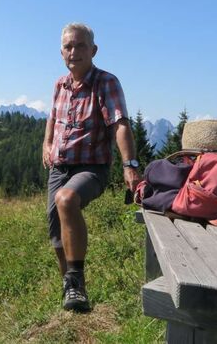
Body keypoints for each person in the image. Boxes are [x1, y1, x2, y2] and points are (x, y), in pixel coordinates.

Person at [41, 22, 142, 312]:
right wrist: (46, 143)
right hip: (59, 168)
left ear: (93, 50)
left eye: (80, 46)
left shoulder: (105, 82)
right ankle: (68, 288)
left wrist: (130, 165)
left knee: (67, 200)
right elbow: (52, 117)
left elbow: (120, 124)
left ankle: (77, 284)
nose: (74, 52)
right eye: (68, 47)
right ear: (61, 52)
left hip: (91, 168)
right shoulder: (60, 84)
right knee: (55, 231)